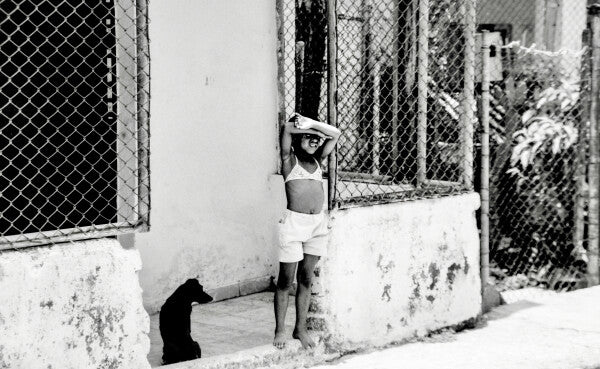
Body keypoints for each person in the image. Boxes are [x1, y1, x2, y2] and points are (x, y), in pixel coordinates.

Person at [273, 112, 341, 350]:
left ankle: (299, 328)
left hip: (317, 225)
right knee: (285, 280)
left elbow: (336, 134)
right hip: (294, 225)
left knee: (306, 278)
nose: (315, 141)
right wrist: (308, 128)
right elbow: (287, 128)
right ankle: (280, 329)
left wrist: (315, 128)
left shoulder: (318, 161)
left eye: (317, 139)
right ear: (298, 138)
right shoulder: (289, 161)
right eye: (309, 137)